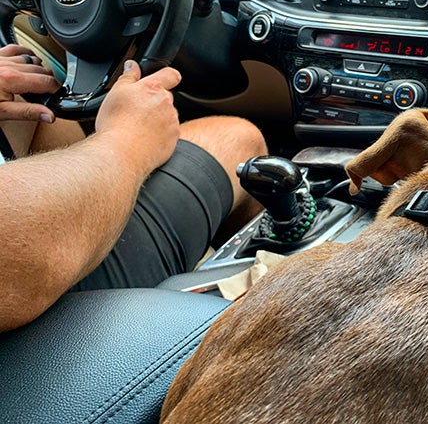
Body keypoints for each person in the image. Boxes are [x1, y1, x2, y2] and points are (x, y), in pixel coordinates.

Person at [0, 44, 267, 332]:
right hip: (24, 295)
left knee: (23, 97)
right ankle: (260, 290)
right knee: (237, 140)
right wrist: (128, 141)